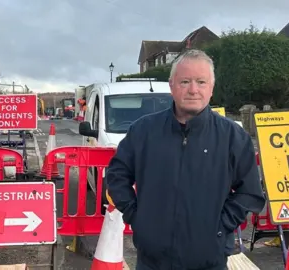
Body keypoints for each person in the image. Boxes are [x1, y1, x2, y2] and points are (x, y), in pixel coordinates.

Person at [106, 49, 266, 270]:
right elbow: (116, 175)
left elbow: (249, 193)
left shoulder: (233, 137)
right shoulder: (143, 131)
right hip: (153, 261)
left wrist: (219, 228)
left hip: (209, 260)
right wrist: (137, 217)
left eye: (201, 82)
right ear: (171, 86)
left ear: (211, 88)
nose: (193, 90)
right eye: (185, 82)